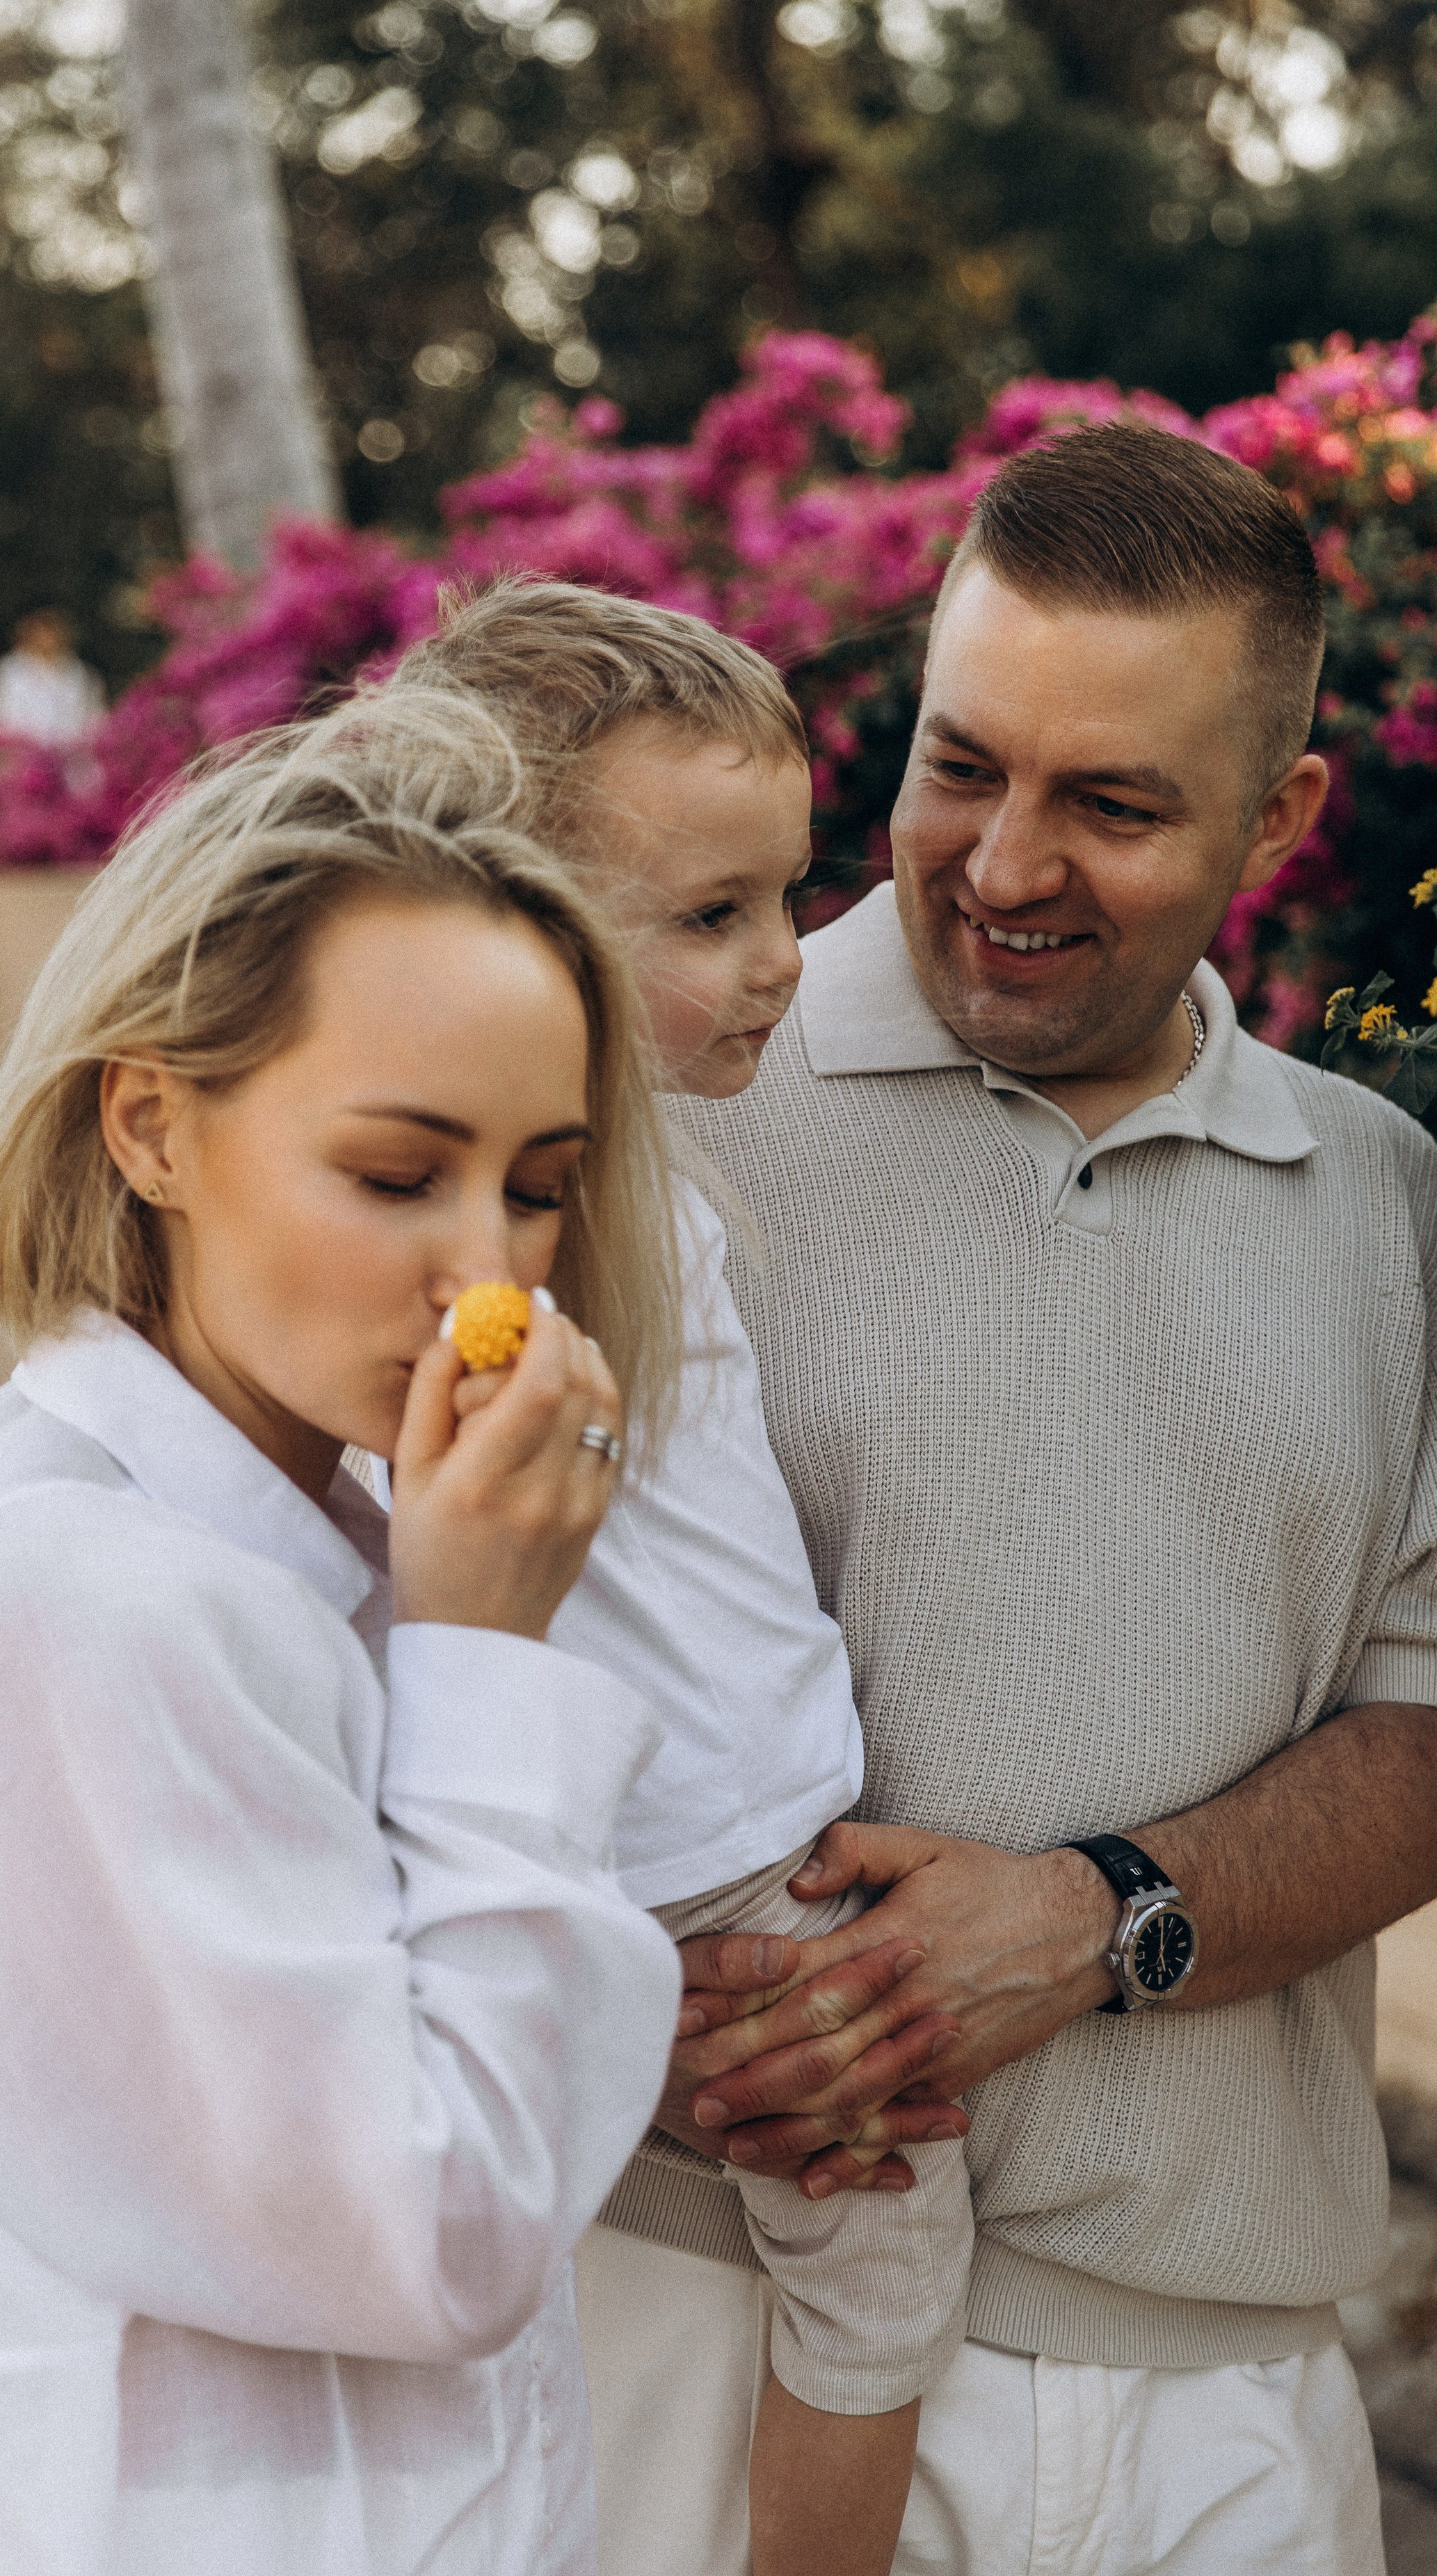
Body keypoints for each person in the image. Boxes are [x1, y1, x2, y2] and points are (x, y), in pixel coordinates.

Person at [636, 423, 1437, 2573]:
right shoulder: (654, 1115)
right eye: (960, 763)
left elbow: (1428, 1733)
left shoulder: (1385, 1199)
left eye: (1109, 801)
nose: (999, 862)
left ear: (1280, 820)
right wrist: (616, 2043)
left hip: (1235, 2411)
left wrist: (1088, 1921)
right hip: (723, 2353)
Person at [0, 688, 687, 2575]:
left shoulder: (313, 1549)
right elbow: (435, 2227)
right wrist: (491, 1670)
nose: (493, 1282)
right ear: (152, 1130)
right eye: (393, 1172)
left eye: (537, 1188)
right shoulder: (90, 1604)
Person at [393, 584, 977, 2576]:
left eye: (787, 899)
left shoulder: (636, 1177)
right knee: (889, 2280)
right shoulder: (536, 1232)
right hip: (719, 1871)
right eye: (708, 915)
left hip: (712, 1843)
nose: (782, 967)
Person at [0, 606, 105, 746]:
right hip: (23, 761)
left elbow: (96, 728)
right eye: (43, 625)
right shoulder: (4, 673)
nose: (49, 633)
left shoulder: (85, 675)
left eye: (55, 625)